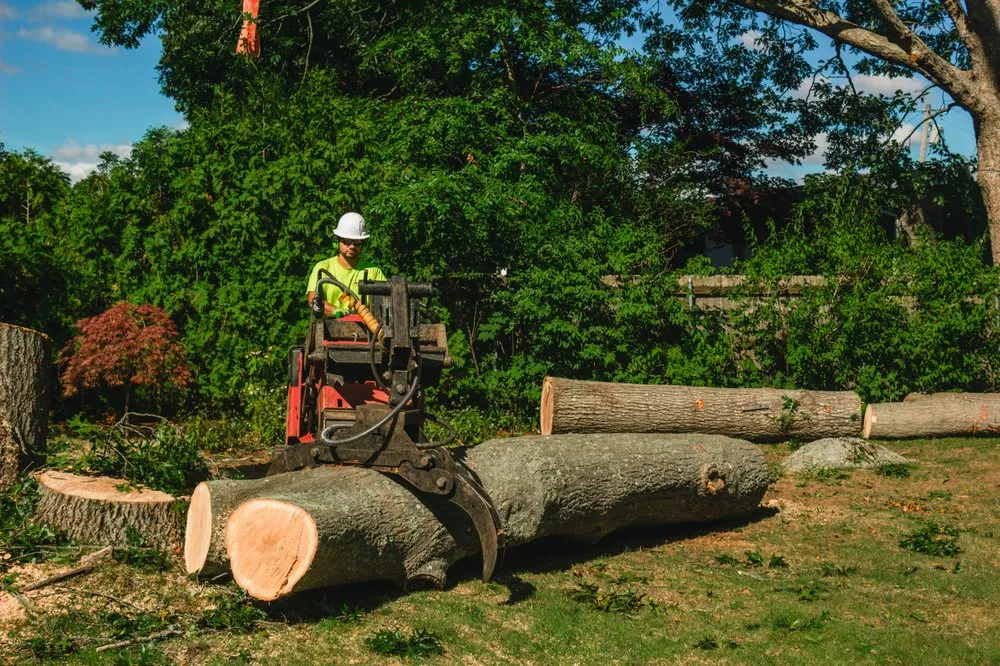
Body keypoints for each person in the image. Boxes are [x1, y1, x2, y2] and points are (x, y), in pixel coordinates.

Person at [306, 212, 387, 318]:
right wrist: (335, 311)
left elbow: (386, 302)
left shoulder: (374, 271)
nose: (352, 246)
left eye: (357, 243)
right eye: (347, 241)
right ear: (337, 242)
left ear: (363, 245)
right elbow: (313, 301)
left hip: (367, 327)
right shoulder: (322, 268)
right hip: (330, 326)